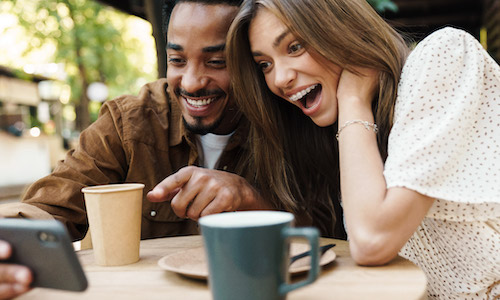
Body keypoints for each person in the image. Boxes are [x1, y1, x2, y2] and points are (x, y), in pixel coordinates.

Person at [226, 0, 500, 298]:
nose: (280, 79)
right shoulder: (347, 137)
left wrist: (353, 97)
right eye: (265, 64)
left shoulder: (444, 55)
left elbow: (372, 242)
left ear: (340, 28)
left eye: (295, 47)